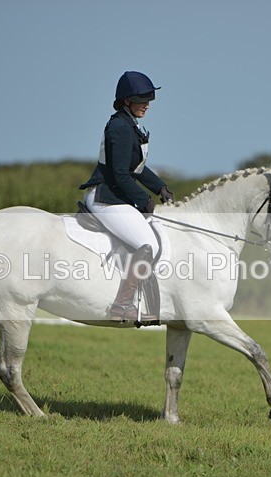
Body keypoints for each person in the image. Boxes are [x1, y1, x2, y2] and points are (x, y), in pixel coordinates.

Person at [79, 71, 173, 322]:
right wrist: (144, 200)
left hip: (116, 196)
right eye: (142, 100)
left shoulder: (130, 125)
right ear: (126, 101)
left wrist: (159, 187)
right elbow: (121, 174)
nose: (147, 105)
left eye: (149, 99)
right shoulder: (120, 127)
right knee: (148, 244)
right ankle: (121, 305)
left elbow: (137, 168)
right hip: (105, 197)